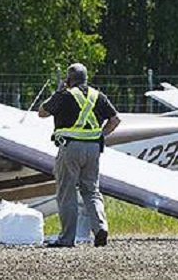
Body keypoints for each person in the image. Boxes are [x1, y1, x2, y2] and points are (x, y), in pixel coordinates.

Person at [39, 63, 120, 248]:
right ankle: (100, 228)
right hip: (93, 149)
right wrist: (100, 135)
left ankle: (67, 239)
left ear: (69, 80)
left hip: (70, 148)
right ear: (85, 78)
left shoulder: (65, 96)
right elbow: (115, 120)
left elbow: (42, 113)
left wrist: (58, 92)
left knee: (67, 192)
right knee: (91, 191)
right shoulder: (98, 96)